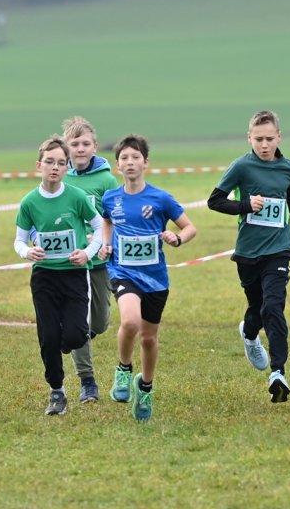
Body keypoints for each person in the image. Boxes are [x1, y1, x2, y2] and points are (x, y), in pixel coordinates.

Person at [207, 110, 290, 404]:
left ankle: (278, 373)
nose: (264, 145)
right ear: (249, 138)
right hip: (248, 252)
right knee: (257, 308)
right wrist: (245, 205)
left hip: (279, 249)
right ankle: (249, 334)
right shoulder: (241, 166)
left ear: (279, 137)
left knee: (273, 307)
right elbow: (214, 201)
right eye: (258, 139)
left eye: (269, 139)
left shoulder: (289, 167)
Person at [98, 135, 196, 422]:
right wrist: (107, 244)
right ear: (117, 166)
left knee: (149, 338)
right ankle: (123, 369)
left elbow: (190, 227)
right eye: (124, 158)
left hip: (155, 279)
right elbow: (106, 219)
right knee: (130, 322)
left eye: (135, 157)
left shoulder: (160, 198)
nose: (130, 162)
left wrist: (177, 238)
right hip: (123, 272)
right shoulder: (111, 198)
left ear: (145, 162)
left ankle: (145, 388)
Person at [14, 137, 103, 416]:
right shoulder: (29, 202)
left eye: (61, 163)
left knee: (75, 336)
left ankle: (67, 347)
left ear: (66, 168)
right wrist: (28, 252)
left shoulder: (76, 197)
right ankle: (57, 391)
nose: (54, 167)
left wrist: (87, 253)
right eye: (49, 162)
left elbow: (100, 228)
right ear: (38, 165)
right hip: (44, 278)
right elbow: (18, 241)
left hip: (75, 275)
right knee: (48, 336)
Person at [62, 116, 118, 404]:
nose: (80, 149)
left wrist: (108, 244)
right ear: (67, 148)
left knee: (100, 323)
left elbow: (114, 217)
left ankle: (73, 336)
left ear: (95, 147)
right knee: (80, 322)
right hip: (72, 263)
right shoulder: (61, 177)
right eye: (75, 144)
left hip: (99, 262)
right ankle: (88, 382)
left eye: (85, 144)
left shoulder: (106, 180)